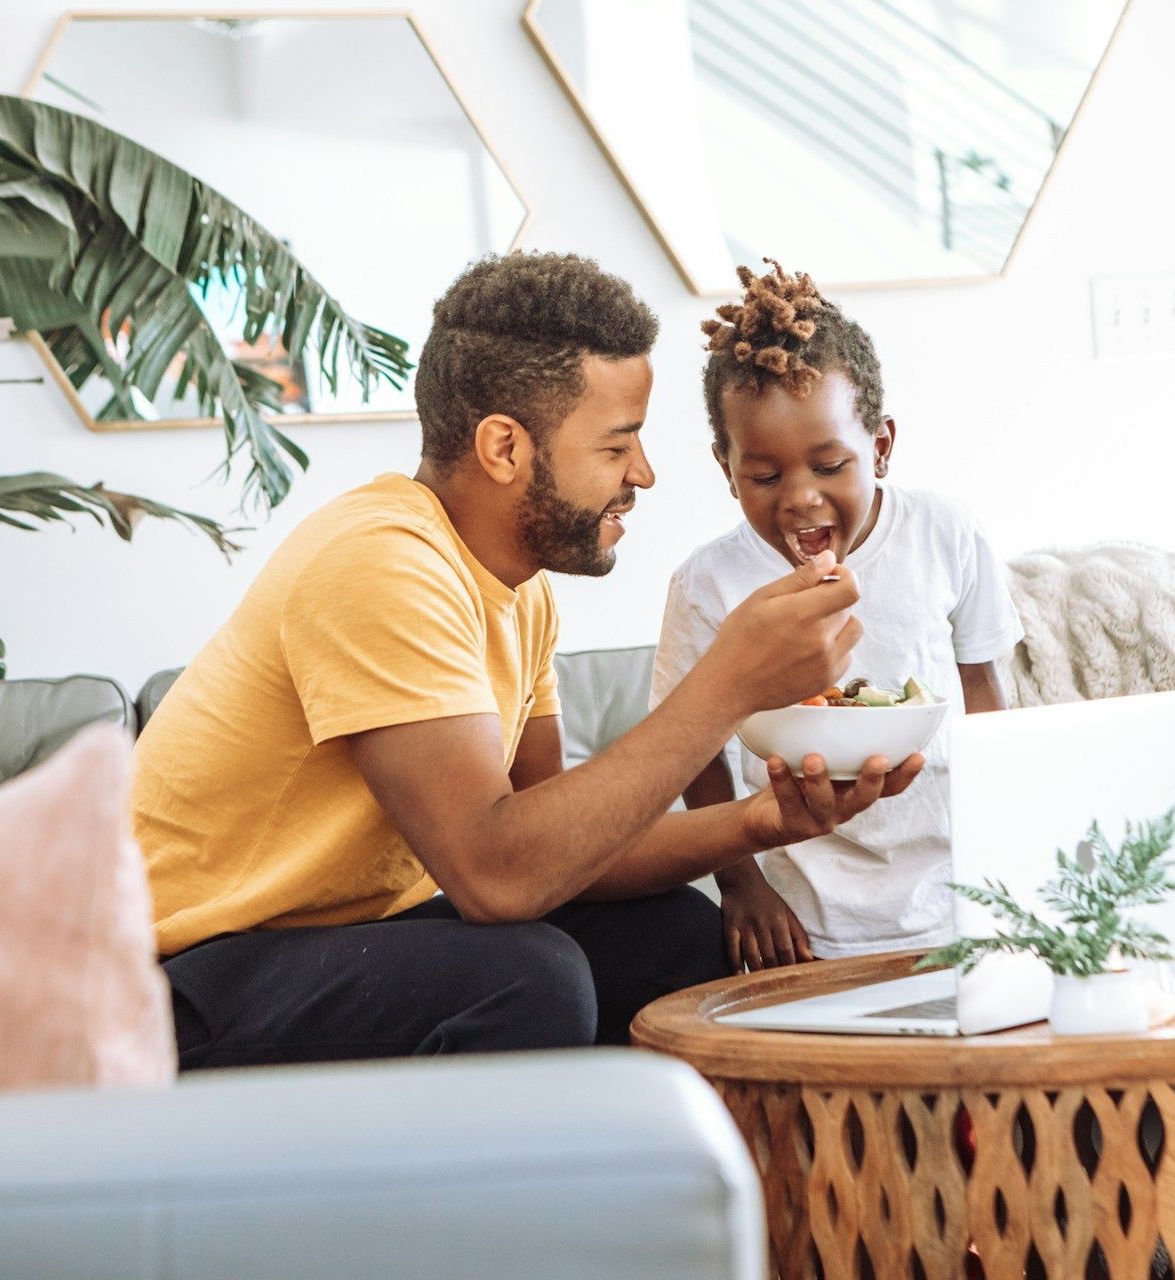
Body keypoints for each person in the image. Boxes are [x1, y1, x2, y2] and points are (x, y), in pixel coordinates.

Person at [132, 251, 925, 1067]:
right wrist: (729, 683)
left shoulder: (521, 592)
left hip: (324, 948)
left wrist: (760, 822)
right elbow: (496, 875)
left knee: (679, 937)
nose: (644, 475)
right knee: (528, 978)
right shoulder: (380, 563)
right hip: (172, 982)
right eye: (618, 446)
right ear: (505, 448)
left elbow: (561, 850)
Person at [650, 260, 1022, 970]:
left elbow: (984, 691)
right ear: (725, 468)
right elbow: (693, 753)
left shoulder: (945, 531)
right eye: (763, 476)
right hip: (807, 918)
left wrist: (1012, 848)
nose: (800, 499)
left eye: (829, 466)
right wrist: (741, 885)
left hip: (961, 896)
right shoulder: (707, 584)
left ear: (879, 448)